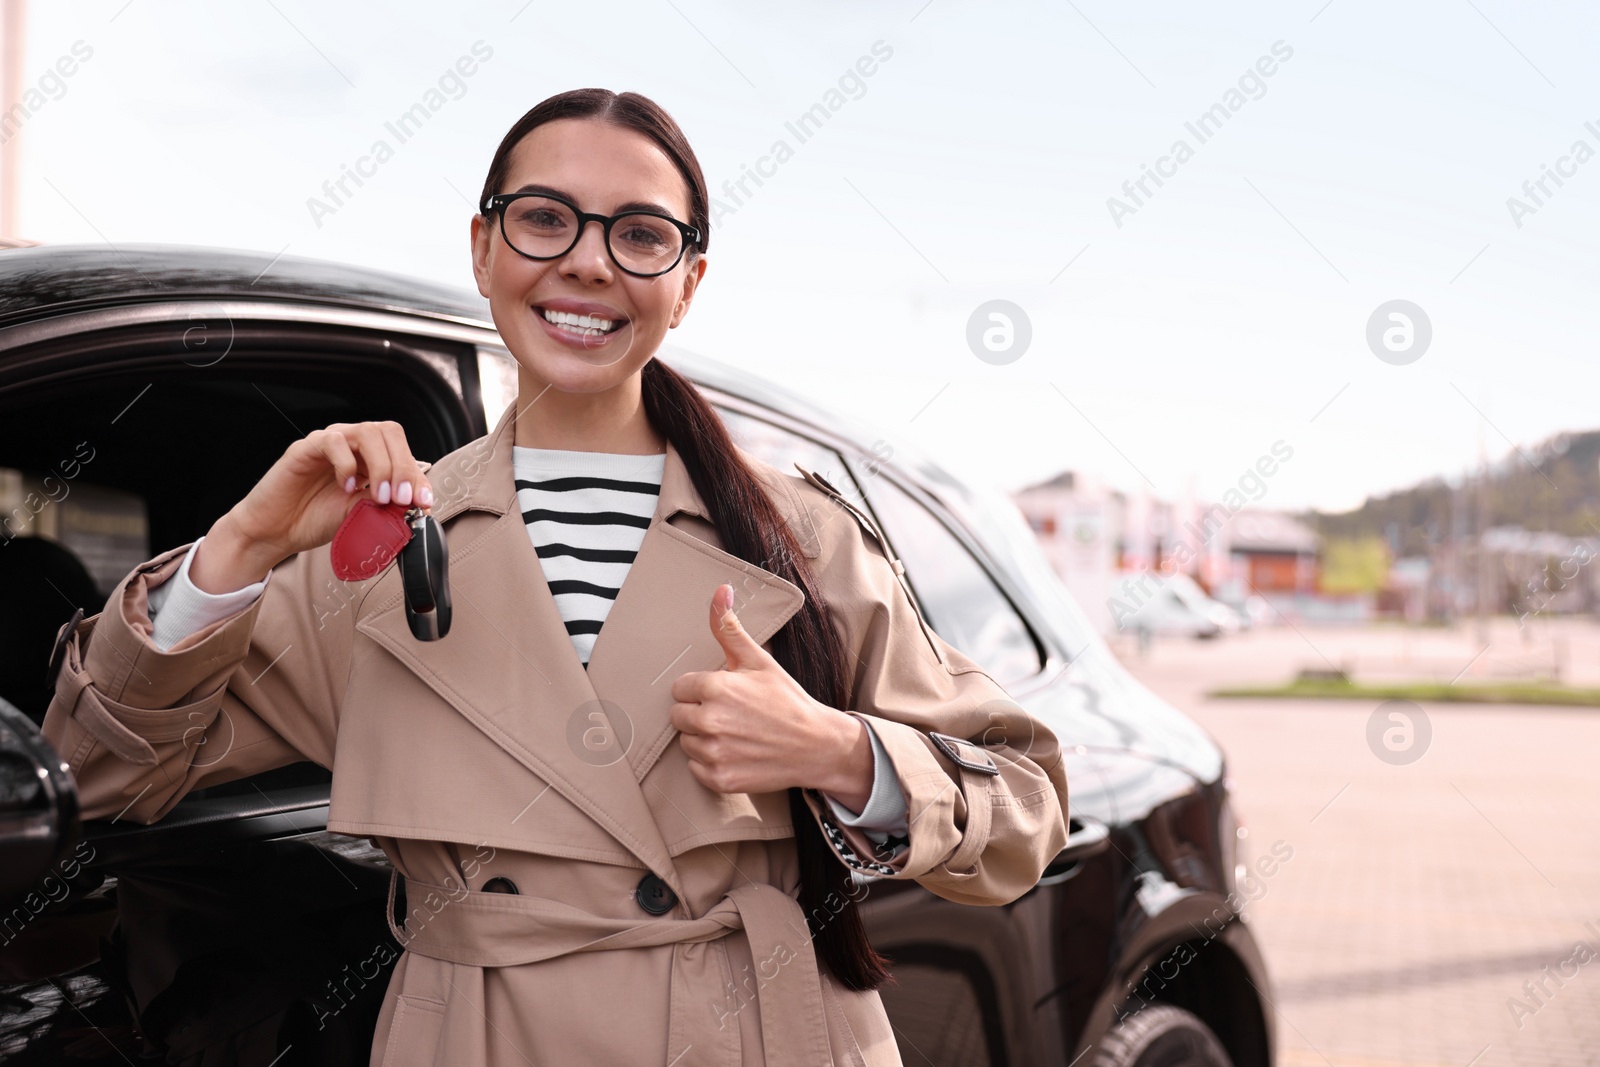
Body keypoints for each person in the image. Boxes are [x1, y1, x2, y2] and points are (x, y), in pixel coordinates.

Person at [42, 88, 1070, 1067]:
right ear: (484, 247)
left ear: (688, 281)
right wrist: (242, 545)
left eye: (639, 234)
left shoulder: (797, 534)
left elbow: (1023, 809)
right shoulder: (375, 552)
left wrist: (838, 749)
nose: (587, 263)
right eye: (545, 219)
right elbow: (94, 773)